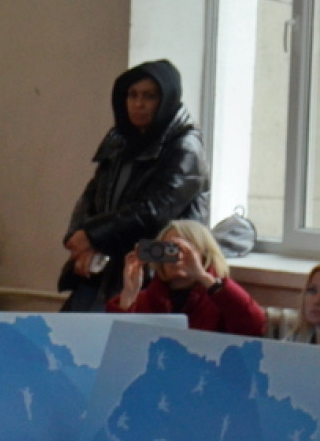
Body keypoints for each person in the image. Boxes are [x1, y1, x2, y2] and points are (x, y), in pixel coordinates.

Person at [60, 59, 209, 312]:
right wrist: (78, 241)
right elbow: (91, 196)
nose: (138, 104)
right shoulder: (120, 139)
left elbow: (155, 211)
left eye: (149, 96)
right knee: (68, 330)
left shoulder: (186, 146)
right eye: (133, 95)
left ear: (166, 99)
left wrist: (94, 237)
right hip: (108, 261)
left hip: (162, 264)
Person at [108, 218, 267, 337]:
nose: (177, 257)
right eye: (169, 250)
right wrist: (129, 294)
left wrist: (204, 276)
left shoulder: (220, 300)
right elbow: (116, 342)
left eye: (186, 250)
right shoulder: (147, 300)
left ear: (204, 255)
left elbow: (254, 327)